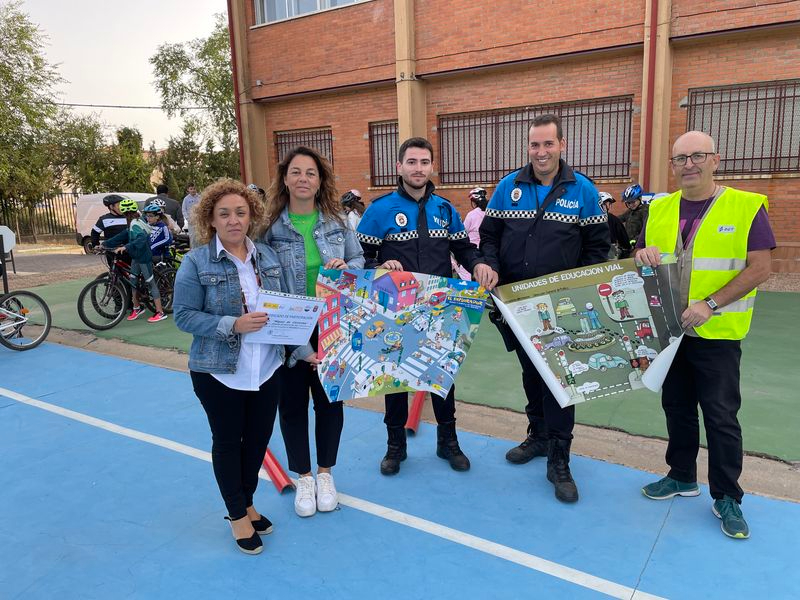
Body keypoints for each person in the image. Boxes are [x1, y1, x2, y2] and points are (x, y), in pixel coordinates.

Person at [635, 131, 775, 540]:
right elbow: (642, 255)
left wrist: (709, 305)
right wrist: (640, 255)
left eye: (697, 156)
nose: (688, 164)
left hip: (716, 332)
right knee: (676, 406)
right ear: (673, 164)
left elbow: (760, 268)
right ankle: (681, 476)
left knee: (720, 416)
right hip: (671, 332)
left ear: (716, 159)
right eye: (680, 158)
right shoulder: (659, 209)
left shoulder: (746, 206)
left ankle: (727, 496)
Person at [479, 114, 610, 503]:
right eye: (535, 145)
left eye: (548, 144)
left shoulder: (582, 191)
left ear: (562, 145)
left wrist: (575, 292)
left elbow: (597, 249)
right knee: (531, 374)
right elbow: (489, 235)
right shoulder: (508, 187)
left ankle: (560, 459)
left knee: (560, 381)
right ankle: (537, 437)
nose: (541, 152)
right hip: (515, 306)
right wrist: (490, 263)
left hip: (560, 310)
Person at [356, 136, 498, 476]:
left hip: (440, 310)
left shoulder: (445, 209)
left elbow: (464, 249)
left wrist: (476, 264)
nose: (418, 169)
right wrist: (377, 268)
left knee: (442, 376)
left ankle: (448, 442)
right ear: (399, 167)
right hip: (395, 311)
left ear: (431, 167)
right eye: (411, 162)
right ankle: (395, 447)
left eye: (424, 162)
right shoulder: (379, 210)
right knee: (394, 379)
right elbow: (361, 259)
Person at [173, 178, 291, 555]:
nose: (233, 220)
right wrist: (232, 324)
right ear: (211, 218)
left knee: (257, 442)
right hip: (219, 372)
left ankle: (249, 502)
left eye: (240, 212)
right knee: (228, 443)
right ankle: (237, 514)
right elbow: (184, 316)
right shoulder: (196, 262)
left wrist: (302, 348)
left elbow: (285, 309)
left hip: (267, 369)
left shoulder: (267, 258)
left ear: (251, 215)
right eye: (224, 213)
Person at [262, 146, 364, 518]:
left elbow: (357, 261)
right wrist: (296, 342)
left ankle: (325, 473)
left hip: (332, 324)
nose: (304, 179)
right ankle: (303, 475)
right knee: (291, 406)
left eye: (311, 173)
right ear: (285, 179)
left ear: (320, 181)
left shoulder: (337, 222)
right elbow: (266, 289)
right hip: (287, 325)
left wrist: (345, 265)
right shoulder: (269, 228)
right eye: (296, 172)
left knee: (329, 402)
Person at [102, 199, 168, 323]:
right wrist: (104, 244)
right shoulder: (132, 223)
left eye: (124, 213)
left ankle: (160, 312)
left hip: (143, 257)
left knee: (151, 283)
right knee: (133, 282)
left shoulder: (135, 224)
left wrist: (125, 247)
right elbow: (122, 235)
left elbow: (141, 239)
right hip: (136, 257)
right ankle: (137, 307)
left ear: (126, 213)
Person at [452, 187, 488, 279]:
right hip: (487, 249)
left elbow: (463, 232)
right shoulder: (490, 213)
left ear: (474, 201)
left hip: (472, 252)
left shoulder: (471, 215)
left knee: (465, 275)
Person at [599, 191, 632, 259]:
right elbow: (623, 236)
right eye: (609, 203)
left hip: (592, 251)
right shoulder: (612, 219)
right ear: (604, 204)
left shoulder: (589, 218)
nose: (610, 206)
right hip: (610, 250)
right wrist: (628, 247)